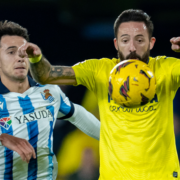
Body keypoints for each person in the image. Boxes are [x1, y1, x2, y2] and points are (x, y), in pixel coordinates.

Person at [28, 9, 180, 180]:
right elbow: (46, 75)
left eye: (139, 40)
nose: (132, 47)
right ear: (116, 44)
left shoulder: (167, 68)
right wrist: (35, 59)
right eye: (125, 40)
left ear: (151, 43)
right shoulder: (100, 70)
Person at [0, 21, 100, 180]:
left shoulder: (48, 93)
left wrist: (117, 139)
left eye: (23, 52)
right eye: (11, 52)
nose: (19, 58)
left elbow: (79, 115)